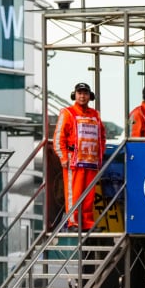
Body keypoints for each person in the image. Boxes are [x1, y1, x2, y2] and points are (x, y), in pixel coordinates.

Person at [53, 82, 106, 231]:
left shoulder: (95, 114)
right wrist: (64, 158)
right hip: (74, 161)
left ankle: (87, 223)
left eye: (85, 93)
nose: (82, 96)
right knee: (73, 193)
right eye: (79, 93)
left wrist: (99, 156)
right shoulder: (67, 113)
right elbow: (58, 138)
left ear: (90, 96)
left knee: (89, 195)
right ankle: (73, 222)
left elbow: (102, 137)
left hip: (91, 161)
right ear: (74, 95)